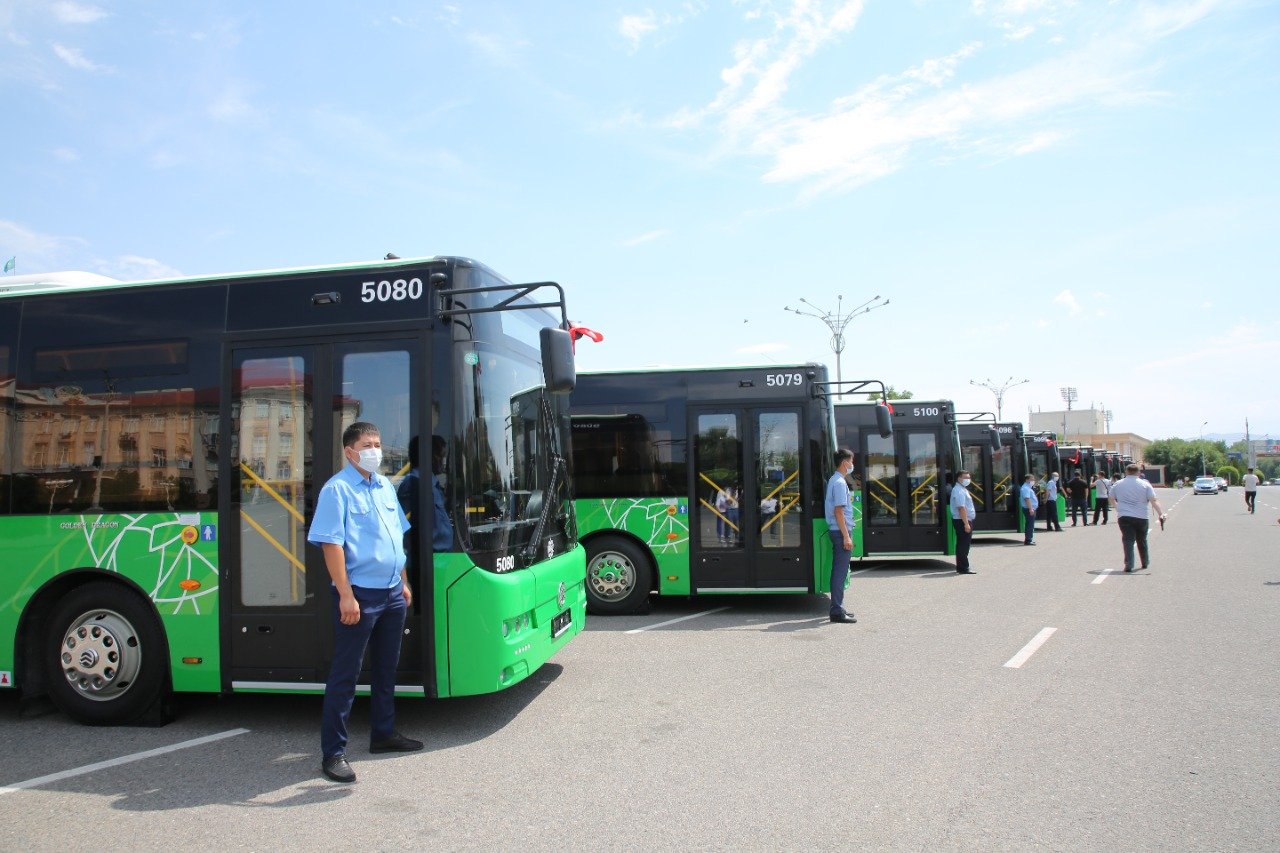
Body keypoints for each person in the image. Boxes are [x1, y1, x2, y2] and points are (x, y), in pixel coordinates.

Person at [308, 421, 423, 784]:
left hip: (391, 592)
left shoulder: (385, 486)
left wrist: (403, 582)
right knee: (346, 674)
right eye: (367, 444)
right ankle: (333, 753)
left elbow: (396, 538)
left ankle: (383, 734)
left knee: (387, 668)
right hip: (359, 595)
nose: (375, 449)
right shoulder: (337, 490)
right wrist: (345, 595)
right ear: (349, 451)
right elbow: (331, 545)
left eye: (377, 442)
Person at [398, 435, 454, 554]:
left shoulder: (431, 484)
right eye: (440, 456)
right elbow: (411, 532)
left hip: (442, 559)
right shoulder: (413, 484)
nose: (443, 461)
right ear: (428, 456)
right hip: (430, 563)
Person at [1108, 462, 1167, 572]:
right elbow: (1153, 500)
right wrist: (1160, 514)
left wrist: (1117, 508)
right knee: (1142, 540)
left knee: (1128, 540)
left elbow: (1111, 497)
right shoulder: (1145, 484)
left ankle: (1129, 564)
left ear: (1126, 472)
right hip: (1142, 516)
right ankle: (1145, 562)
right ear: (1138, 473)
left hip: (1124, 516)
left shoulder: (1118, 484)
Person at [824, 449, 857, 623]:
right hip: (840, 531)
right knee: (840, 572)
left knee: (840, 571)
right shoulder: (839, 483)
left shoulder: (835, 480)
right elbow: (838, 511)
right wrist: (846, 536)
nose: (852, 465)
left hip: (838, 530)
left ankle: (839, 606)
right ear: (845, 462)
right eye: (851, 461)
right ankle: (836, 610)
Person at [949, 469, 976, 573]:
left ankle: (961, 566)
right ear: (959, 478)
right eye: (965, 477)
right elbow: (961, 508)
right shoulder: (959, 490)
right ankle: (963, 567)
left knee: (962, 544)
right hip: (962, 521)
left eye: (969, 477)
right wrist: (966, 524)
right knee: (963, 545)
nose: (968, 479)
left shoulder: (962, 489)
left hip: (963, 520)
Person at [1019, 474, 1038, 545]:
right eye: (1032, 479)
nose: (1033, 481)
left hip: (1030, 508)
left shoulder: (1028, 487)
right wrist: (1031, 509)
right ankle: (1028, 540)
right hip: (1029, 508)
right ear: (1027, 480)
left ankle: (1029, 539)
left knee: (1030, 524)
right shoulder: (1025, 488)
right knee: (1030, 524)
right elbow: (1027, 498)